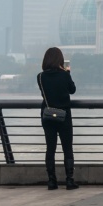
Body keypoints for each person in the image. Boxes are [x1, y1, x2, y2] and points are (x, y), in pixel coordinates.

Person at [37, 47, 77, 191]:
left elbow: (45, 93)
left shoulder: (40, 77)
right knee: (67, 148)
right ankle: (69, 180)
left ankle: (51, 181)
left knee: (50, 148)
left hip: (47, 116)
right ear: (60, 60)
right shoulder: (64, 75)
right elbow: (72, 90)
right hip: (64, 116)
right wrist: (67, 73)